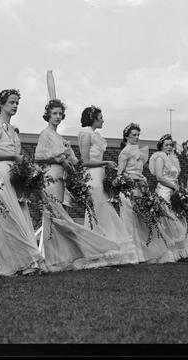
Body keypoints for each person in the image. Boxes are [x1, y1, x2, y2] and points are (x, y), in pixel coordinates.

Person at [35, 99, 121, 272]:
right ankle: (53, 257)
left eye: (60, 114)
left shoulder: (61, 138)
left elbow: (75, 160)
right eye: (54, 114)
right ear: (48, 115)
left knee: (57, 217)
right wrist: (57, 158)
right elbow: (38, 156)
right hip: (50, 177)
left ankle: (58, 258)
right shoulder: (45, 134)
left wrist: (67, 158)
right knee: (53, 216)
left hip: (61, 179)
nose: (58, 117)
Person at [0, 89, 47, 276]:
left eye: (17, 103)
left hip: (15, 174)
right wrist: (13, 156)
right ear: (1, 103)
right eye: (11, 102)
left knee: (22, 216)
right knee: (9, 218)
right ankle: (17, 263)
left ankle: (27, 262)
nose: (15, 106)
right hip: (1, 173)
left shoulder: (12, 129)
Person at [77, 106, 138, 265]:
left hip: (100, 175)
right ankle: (97, 250)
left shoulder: (95, 134)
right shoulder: (85, 133)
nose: (103, 120)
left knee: (102, 212)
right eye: (100, 117)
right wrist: (105, 162)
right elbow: (84, 161)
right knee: (98, 212)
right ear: (93, 118)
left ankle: (107, 250)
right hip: (92, 176)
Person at [117, 123, 173, 263]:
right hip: (128, 189)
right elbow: (119, 175)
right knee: (130, 222)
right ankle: (131, 255)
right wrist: (134, 178)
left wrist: (142, 178)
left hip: (141, 189)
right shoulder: (124, 153)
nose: (136, 138)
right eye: (133, 135)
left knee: (143, 221)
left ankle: (146, 254)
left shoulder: (140, 152)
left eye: (138, 135)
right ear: (127, 136)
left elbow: (140, 170)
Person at [148, 134, 188, 262]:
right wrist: (173, 187)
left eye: (171, 145)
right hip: (164, 192)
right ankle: (167, 253)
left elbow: (175, 177)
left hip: (174, 192)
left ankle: (181, 253)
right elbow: (159, 177)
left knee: (178, 221)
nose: (169, 147)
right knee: (167, 222)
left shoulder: (172, 159)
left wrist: (178, 189)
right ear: (161, 146)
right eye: (166, 145)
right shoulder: (159, 158)